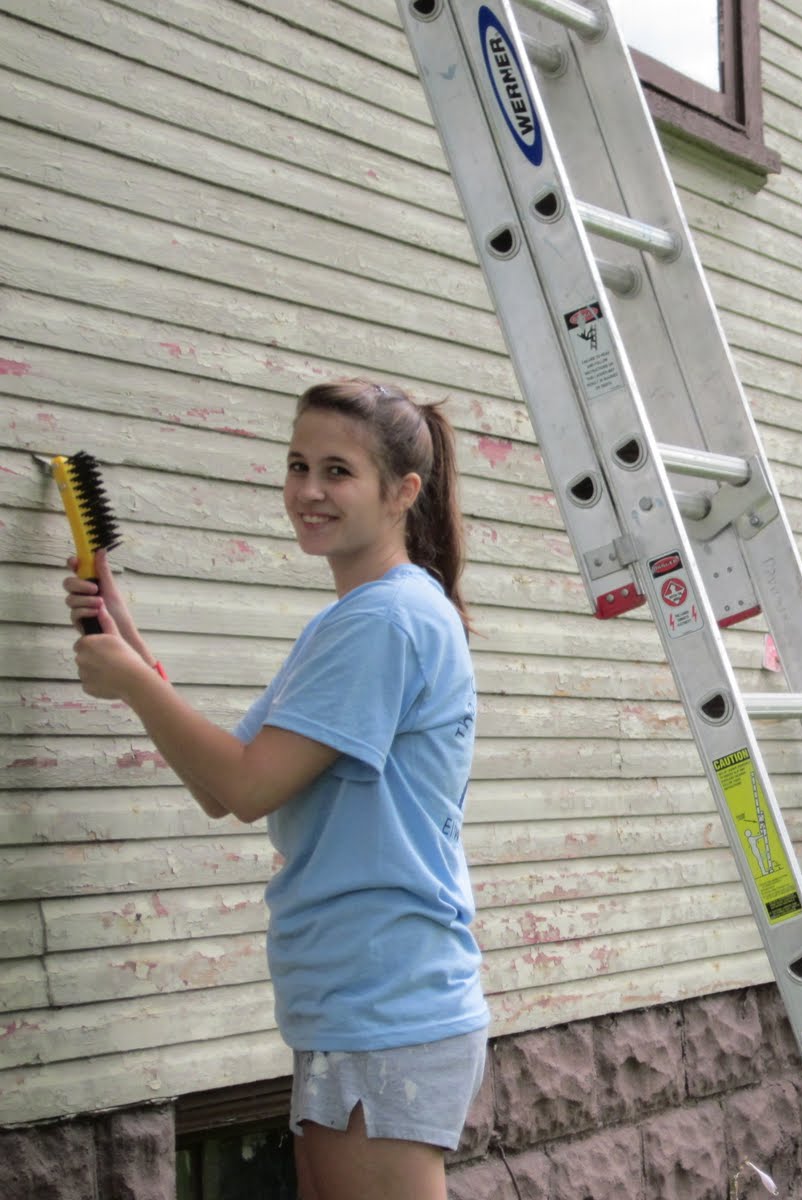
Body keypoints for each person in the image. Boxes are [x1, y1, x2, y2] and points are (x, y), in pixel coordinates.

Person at [64, 379, 489, 1200]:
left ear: (402, 493)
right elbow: (225, 779)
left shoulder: (384, 622)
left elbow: (247, 786)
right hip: (357, 993)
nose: (307, 491)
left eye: (338, 471)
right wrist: (129, 642)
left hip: (386, 999)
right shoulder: (355, 620)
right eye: (298, 465)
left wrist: (129, 684)